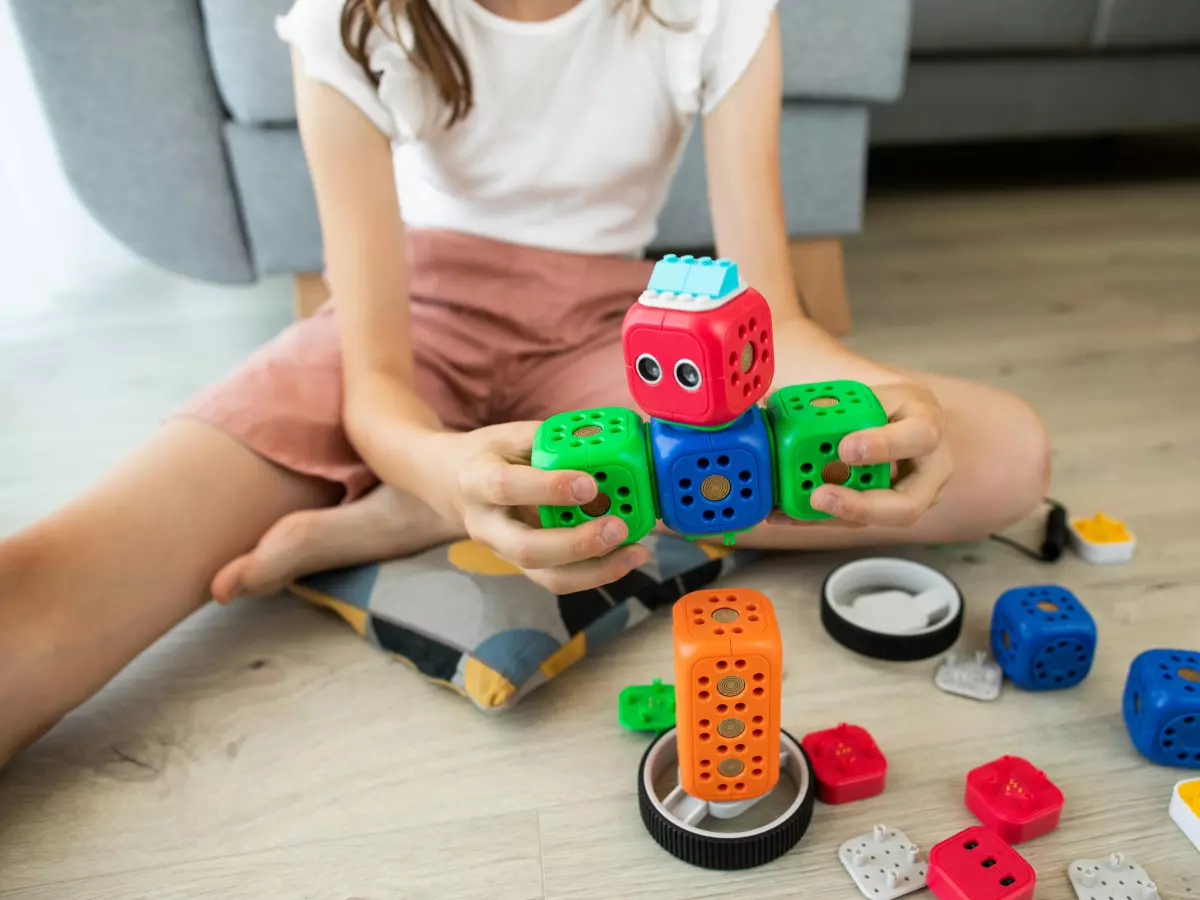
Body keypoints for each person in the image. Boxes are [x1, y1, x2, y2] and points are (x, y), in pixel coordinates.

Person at [0, 0, 1050, 766]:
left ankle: (414, 511)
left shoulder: (714, 12)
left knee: (1004, 454)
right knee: (52, 586)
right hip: (418, 318)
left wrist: (872, 399)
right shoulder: (347, 22)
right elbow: (374, 384)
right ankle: (443, 493)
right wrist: (438, 465)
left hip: (617, 328)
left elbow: (765, 316)